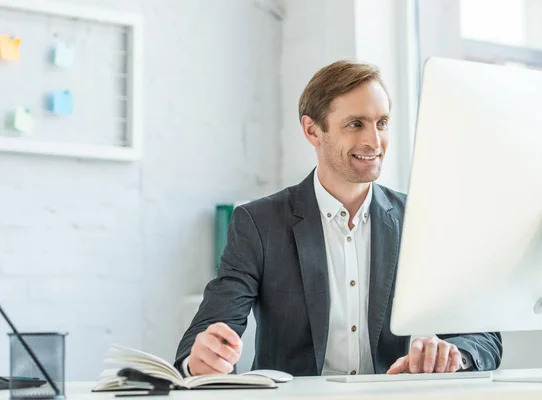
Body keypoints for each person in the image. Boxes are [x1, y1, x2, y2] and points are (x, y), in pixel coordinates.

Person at [174, 60, 502, 377]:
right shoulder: (259, 223)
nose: (374, 141)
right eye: (355, 124)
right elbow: (206, 335)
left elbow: (484, 337)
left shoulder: (419, 220)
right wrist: (201, 359)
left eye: (382, 123)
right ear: (312, 131)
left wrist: (453, 356)